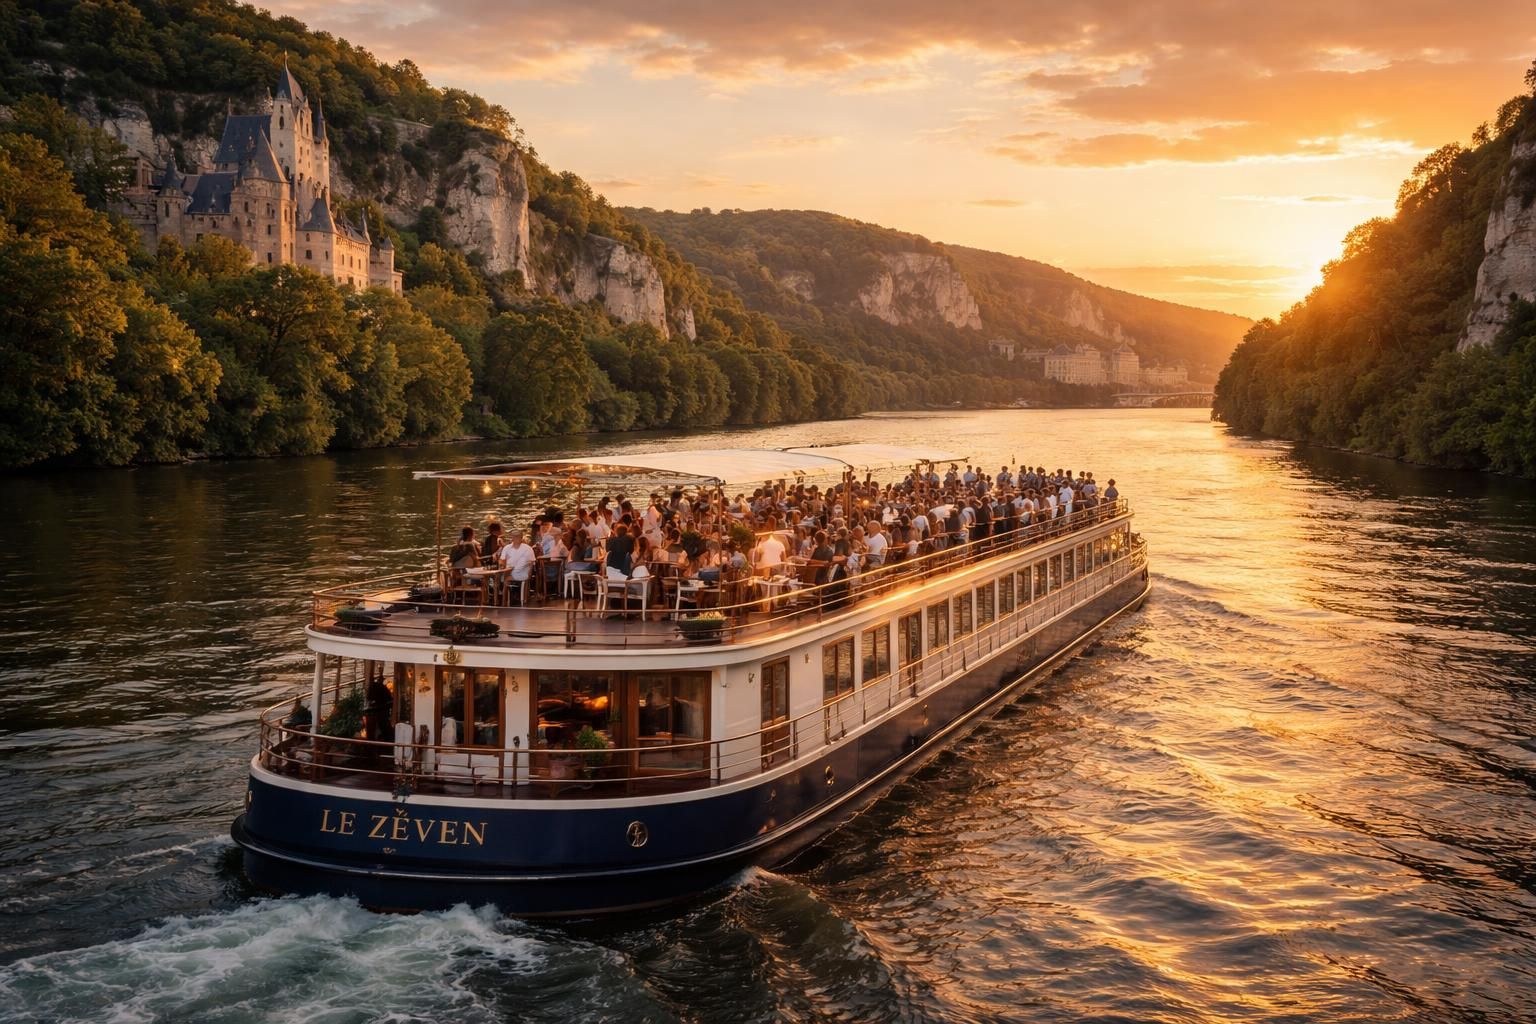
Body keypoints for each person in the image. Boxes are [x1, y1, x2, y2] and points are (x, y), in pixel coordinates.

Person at [496, 530, 536, 604]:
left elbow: (532, 562)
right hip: (508, 571)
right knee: (498, 576)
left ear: (521, 538)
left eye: (518, 536)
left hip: (522, 572)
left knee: (505, 577)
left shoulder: (527, 548)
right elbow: (502, 560)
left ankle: (504, 598)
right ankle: (500, 598)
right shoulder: (507, 548)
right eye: (514, 536)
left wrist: (529, 574)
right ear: (512, 538)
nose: (516, 538)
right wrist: (502, 564)